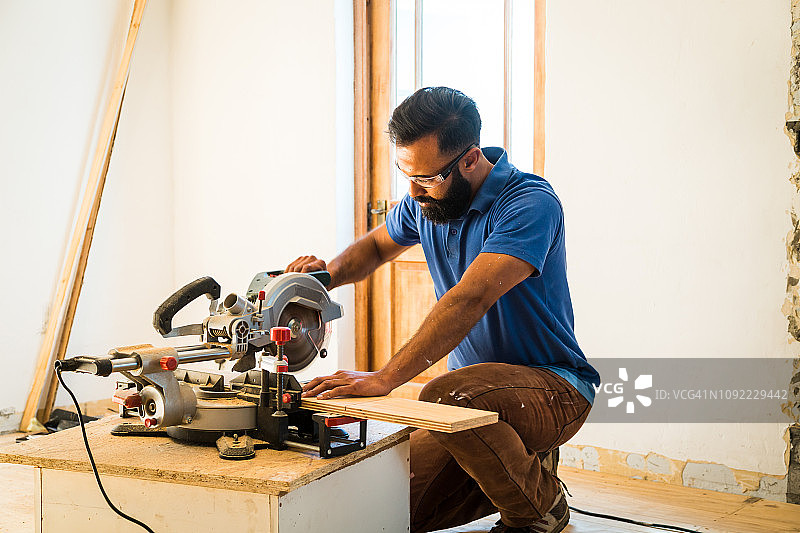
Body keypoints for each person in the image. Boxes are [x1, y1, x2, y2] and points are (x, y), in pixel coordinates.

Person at [287, 87, 600, 533]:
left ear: (470, 160)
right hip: (469, 407)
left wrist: (385, 378)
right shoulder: (429, 200)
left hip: (554, 388)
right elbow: (376, 247)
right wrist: (321, 280)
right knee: (383, 507)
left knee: (445, 393)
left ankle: (539, 509)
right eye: (405, 174)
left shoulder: (528, 203)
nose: (413, 192)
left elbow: (471, 298)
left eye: (427, 178)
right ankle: (518, 465)